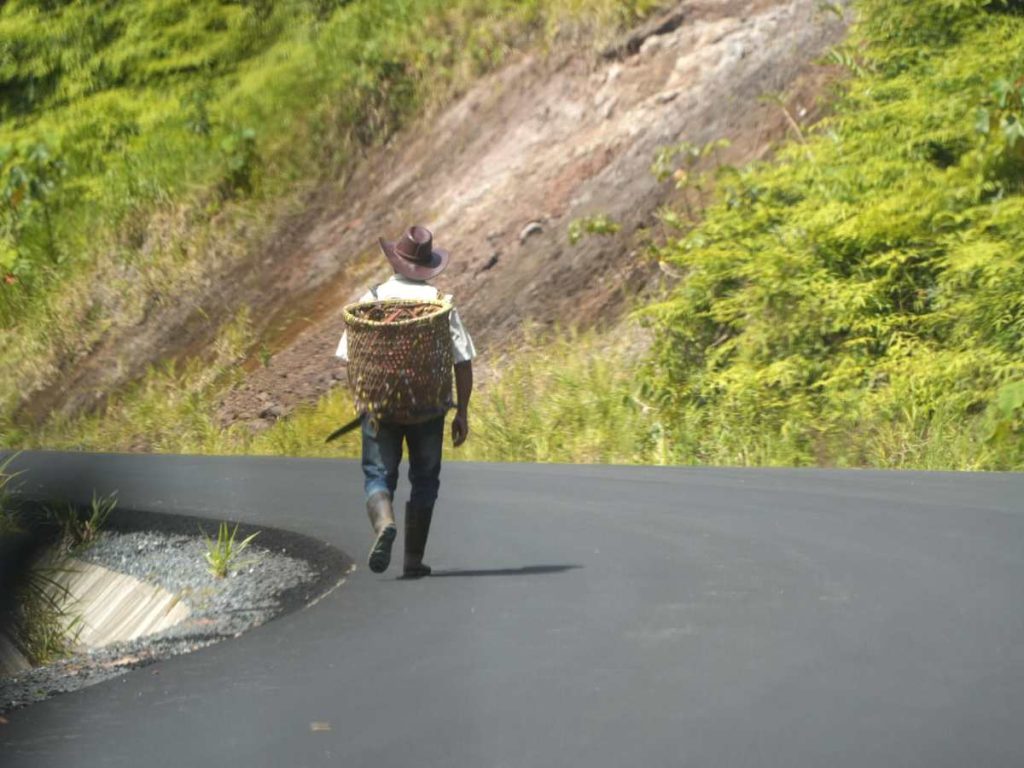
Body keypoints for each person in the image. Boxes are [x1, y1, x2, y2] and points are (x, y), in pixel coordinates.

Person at [335, 225, 476, 579]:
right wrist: (463, 411)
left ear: (397, 261)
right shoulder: (440, 304)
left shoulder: (372, 300)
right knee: (425, 478)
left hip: (380, 406)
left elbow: (348, 354)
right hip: (427, 406)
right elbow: (463, 359)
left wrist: (363, 396)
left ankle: (384, 522)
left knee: (377, 474)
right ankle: (413, 560)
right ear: (426, 267)